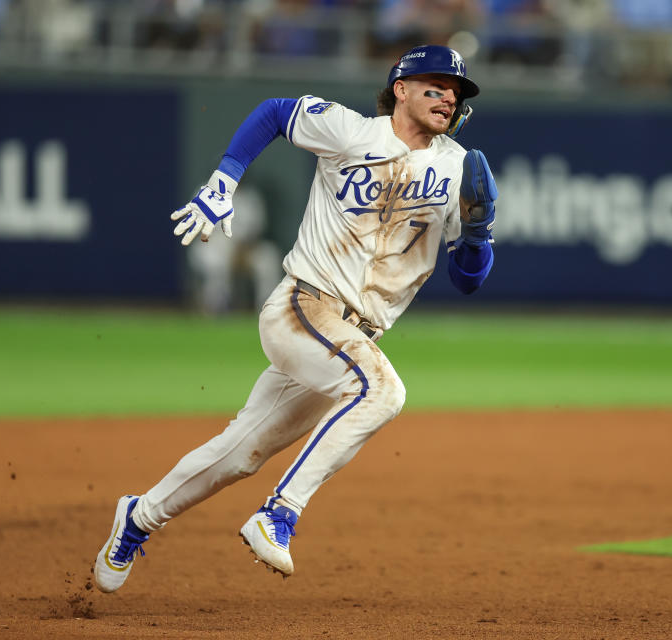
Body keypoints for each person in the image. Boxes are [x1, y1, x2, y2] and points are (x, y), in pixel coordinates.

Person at [93, 44, 498, 592]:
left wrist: (477, 234)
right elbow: (275, 113)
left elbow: (469, 279)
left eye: (456, 91)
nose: (448, 95)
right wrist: (224, 180)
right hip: (305, 307)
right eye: (435, 83)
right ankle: (279, 514)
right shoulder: (354, 133)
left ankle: (137, 518)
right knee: (382, 392)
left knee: (240, 454)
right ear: (400, 89)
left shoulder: (457, 168)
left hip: (351, 336)